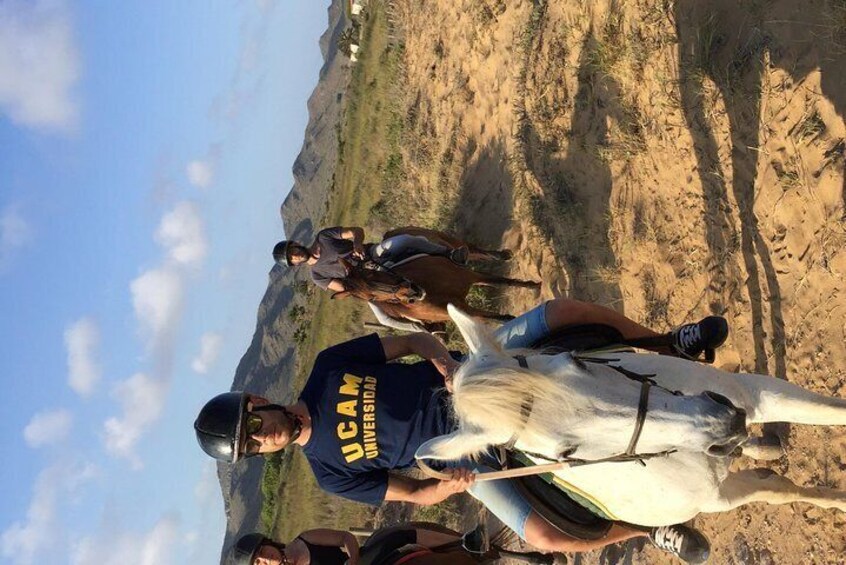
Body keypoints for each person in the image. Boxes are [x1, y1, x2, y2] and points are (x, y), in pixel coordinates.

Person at [196, 298, 722, 563]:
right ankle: (648, 530)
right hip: (472, 457)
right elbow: (414, 495)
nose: (261, 437)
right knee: (543, 535)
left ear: (259, 403)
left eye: (253, 425)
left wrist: (445, 364)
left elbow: (412, 344)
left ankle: (668, 342)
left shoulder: (327, 369)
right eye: (252, 444)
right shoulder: (329, 474)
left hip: (473, 376)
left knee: (559, 314)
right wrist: (450, 484)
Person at [272, 227, 469, 292]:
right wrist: (357, 280)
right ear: (295, 265)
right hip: (369, 280)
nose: (296, 256)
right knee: (386, 319)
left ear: (296, 244)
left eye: (293, 251)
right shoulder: (318, 275)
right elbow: (344, 288)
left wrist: (357, 244)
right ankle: (430, 327)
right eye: (292, 259)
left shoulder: (324, 237)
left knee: (406, 240)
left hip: (372, 255)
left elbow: (356, 231)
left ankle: (449, 254)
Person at [230, 525, 468, 565]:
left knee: (397, 536)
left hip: (362, 562)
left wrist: (353, 560)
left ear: (268, 543)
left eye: (262, 553)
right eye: (259, 563)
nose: (266, 560)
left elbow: (345, 538)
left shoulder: (305, 539)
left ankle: (467, 543)